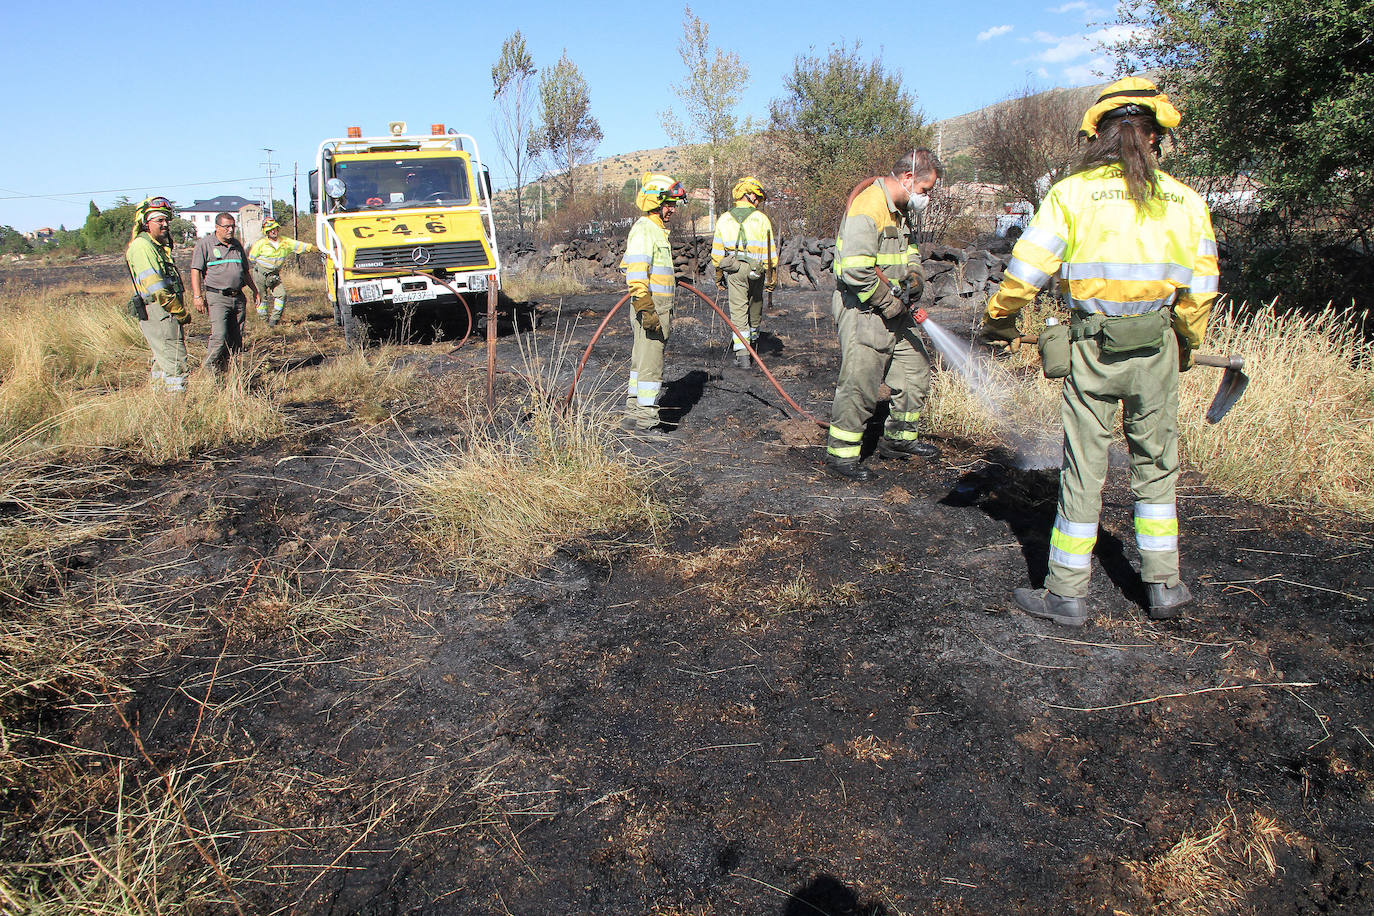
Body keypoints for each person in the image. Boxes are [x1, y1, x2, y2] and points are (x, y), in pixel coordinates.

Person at [977, 76, 1220, 627]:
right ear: (1157, 137)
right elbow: (1202, 290)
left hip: (1091, 348)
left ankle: (1066, 593)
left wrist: (999, 319)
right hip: (1156, 346)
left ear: (1099, 134)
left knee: (1084, 469)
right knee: (1157, 466)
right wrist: (1184, 343)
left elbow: (1023, 275)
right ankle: (1163, 586)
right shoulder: (1185, 200)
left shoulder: (1071, 194)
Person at [824, 149, 943, 482]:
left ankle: (899, 440)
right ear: (907, 179)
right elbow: (856, 273)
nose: (926, 197)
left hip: (895, 308)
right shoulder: (868, 207)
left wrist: (916, 276)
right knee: (861, 382)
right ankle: (841, 456)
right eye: (925, 190)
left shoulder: (900, 211)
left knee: (914, 371)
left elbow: (910, 251)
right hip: (864, 309)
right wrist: (890, 305)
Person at [619, 172, 686, 433]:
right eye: (668, 203)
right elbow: (636, 272)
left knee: (641, 361)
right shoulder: (646, 230)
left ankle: (632, 414)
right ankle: (647, 421)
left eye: (673, 204)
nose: (672, 209)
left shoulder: (654, 231)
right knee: (651, 363)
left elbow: (651, 269)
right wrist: (646, 308)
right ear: (655, 203)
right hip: (651, 306)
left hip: (652, 303)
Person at [125, 196, 191, 393]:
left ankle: (159, 398)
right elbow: (157, 289)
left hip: (162, 311)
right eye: (159, 220)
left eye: (166, 220)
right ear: (146, 223)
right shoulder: (142, 246)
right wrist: (179, 311)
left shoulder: (155, 246)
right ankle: (176, 406)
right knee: (175, 360)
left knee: (161, 359)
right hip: (160, 310)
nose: (165, 225)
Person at [711, 177, 779, 368]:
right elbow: (769, 251)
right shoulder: (761, 219)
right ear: (748, 196)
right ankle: (753, 345)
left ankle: (743, 356)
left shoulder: (724, 219)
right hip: (757, 269)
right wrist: (771, 277)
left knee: (739, 310)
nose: (758, 202)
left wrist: (718, 276)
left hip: (734, 270)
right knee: (755, 305)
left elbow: (717, 254)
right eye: (757, 197)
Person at [189, 212, 258, 374]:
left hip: (238, 297)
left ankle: (228, 370)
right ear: (217, 227)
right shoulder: (205, 244)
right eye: (227, 226)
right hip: (218, 297)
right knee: (219, 336)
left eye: (233, 226)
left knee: (236, 338)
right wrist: (197, 296)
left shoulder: (236, 245)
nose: (230, 230)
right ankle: (209, 370)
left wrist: (255, 290)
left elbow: (245, 271)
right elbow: (195, 271)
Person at [248, 218, 319, 326]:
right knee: (261, 297)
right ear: (266, 231)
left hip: (274, 275)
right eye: (270, 229)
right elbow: (252, 258)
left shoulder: (285, 242)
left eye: (275, 228)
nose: (273, 231)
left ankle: (274, 321)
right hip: (260, 274)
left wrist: (315, 248)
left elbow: (300, 246)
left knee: (281, 295)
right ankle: (263, 321)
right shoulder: (261, 244)